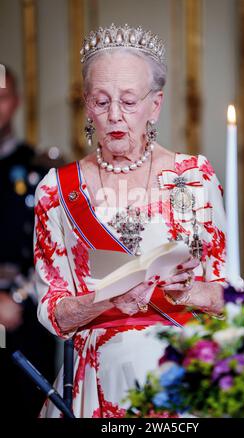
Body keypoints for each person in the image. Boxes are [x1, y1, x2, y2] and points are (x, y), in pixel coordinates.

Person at [34, 24, 229, 418]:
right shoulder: (57, 190)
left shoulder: (193, 177)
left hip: (181, 372)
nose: (115, 116)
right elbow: (54, 313)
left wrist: (185, 294)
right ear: (87, 105)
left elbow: (227, 297)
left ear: (155, 104)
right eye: (102, 102)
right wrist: (105, 299)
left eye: (128, 101)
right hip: (100, 380)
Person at [0, 67, 56, 417]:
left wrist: (16, 297)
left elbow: (54, 252)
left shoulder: (39, 170)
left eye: (0, 98)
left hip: (22, 316)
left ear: (16, 102)